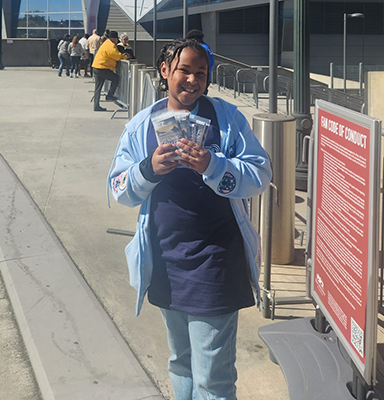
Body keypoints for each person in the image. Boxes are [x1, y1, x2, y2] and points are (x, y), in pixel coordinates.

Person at [107, 39, 271, 400]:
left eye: (201, 73)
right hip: (166, 261)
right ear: (165, 71)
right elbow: (119, 188)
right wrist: (149, 169)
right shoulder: (140, 126)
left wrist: (213, 165)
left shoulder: (227, 120)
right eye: (185, 70)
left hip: (216, 262)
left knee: (212, 375)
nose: (193, 80)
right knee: (180, 361)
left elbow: (260, 174)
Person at [91, 30, 129, 112]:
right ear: (114, 39)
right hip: (103, 67)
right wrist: (125, 56)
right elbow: (115, 55)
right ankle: (110, 95)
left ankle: (96, 106)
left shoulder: (106, 43)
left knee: (98, 88)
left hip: (97, 66)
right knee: (116, 78)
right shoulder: (111, 45)